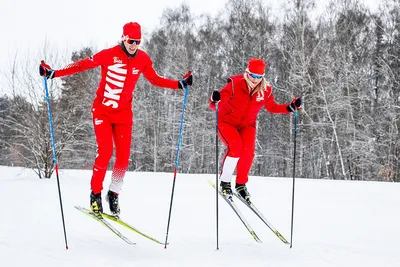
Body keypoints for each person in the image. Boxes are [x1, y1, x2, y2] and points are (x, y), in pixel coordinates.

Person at [39, 22, 193, 216]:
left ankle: (113, 193)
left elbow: (155, 79)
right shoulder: (108, 54)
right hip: (102, 112)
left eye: (137, 41)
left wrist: (179, 84)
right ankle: (95, 194)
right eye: (130, 41)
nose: (134, 45)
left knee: (122, 157)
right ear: (123, 38)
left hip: (123, 115)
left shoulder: (143, 59)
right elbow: (82, 65)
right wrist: (54, 73)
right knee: (105, 152)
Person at [209, 58, 301, 204]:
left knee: (248, 152)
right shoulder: (235, 84)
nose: (255, 80)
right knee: (235, 147)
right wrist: (215, 100)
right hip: (226, 122)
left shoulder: (265, 90)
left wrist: (290, 107)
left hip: (247, 125)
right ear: (247, 72)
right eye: (252, 75)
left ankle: (240, 185)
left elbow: (272, 107)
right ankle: (225, 182)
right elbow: (216, 105)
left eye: (259, 77)